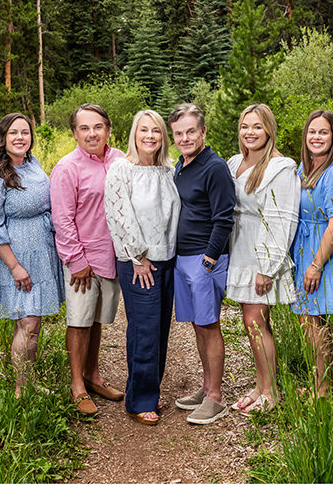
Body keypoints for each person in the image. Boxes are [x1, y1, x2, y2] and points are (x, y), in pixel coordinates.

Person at [0, 113, 64, 398]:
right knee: (29, 322)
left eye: (25, 132)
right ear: (3, 138)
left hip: (40, 254)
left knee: (31, 322)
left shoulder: (33, 165)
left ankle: (28, 381)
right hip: (15, 259)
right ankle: (21, 389)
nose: (20, 138)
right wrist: (15, 267)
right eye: (14, 132)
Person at [103, 110, 181, 426]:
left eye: (156, 131)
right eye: (143, 130)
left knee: (160, 329)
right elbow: (118, 215)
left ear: (163, 136)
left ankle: (148, 387)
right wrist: (138, 256)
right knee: (145, 329)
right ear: (134, 134)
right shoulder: (122, 169)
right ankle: (140, 401)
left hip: (167, 259)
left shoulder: (168, 169)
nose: (150, 136)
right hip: (140, 263)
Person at [50, 103, 125, 416]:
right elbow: (62, 219)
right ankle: (77, 385)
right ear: (74, 133)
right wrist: (76, 260)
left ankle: (93, 376)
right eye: (84, 128)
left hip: (112, 256)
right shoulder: (67, 168)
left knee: (97, 320)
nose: (92, 133)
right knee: (79, 322)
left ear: (108, 129)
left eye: (98, 127)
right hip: (82, 259)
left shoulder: (121, 159)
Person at [226, 104, 300, 415]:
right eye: (245, 126)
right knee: (257, 322)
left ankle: (271, 392)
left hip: (261, 254)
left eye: (257, 126)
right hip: (239, 249)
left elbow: (282, 219)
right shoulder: (234, 163)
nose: (250, 132)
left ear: (268, 129)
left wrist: (267, 267)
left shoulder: (279, 168)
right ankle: (260, 385)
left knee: (253, 321)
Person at [169, 103, 236, 425]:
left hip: (204, 259)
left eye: (190, 131)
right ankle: (206, 386)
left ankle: (216, 398)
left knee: (209, 325)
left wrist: (209, 259)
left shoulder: (215, 167)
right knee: (197, 324)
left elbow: (224, 218)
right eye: (179, 133)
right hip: (183, 258)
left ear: (203, 131)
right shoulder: (181, 165)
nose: (185, 138)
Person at [291, 109, 333, 398]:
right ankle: (323, 382)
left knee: (313, 320)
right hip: (305, 249)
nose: (316, 137)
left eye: (324, 132)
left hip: (323, 253)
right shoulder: (304, 168)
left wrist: (316, 264)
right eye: (312, 132)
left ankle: (324, 390)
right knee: (312, 321)